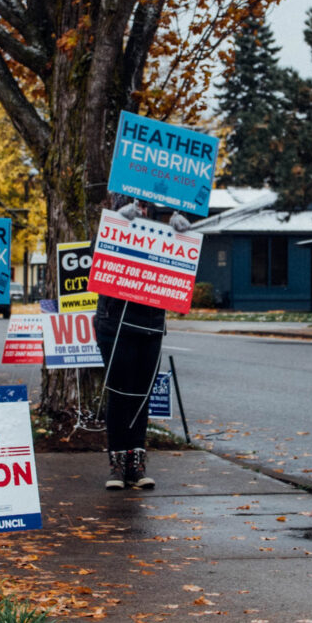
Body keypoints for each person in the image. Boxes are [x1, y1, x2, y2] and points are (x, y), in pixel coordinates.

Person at [91, 197, 180, 491]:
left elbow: (181, 272)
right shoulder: (109, 233)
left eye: (144, 207)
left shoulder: (160, 238)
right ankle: (117, 464)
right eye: (134, 206)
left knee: (142, 396)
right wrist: (117, 221)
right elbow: (95, 259)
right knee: (119, 393)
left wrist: (183, 235)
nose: (140, 211)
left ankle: (137, 462)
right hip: (115, 325)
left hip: (151, 326)